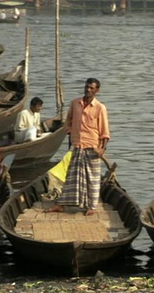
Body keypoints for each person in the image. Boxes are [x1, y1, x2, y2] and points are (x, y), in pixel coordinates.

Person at [44, 78, 110, 216]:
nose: (88, 90)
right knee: (72, 177)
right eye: (87, 87)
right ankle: (62, 204)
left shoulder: (100, 108)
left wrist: (101, 149)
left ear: (97, 91)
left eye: (92, 88)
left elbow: (104, 131)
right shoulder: (75, 103)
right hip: (78, 145)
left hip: (92, 147)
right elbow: (68, 121)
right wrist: (70, 132)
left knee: (92, 179)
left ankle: (91, 206)